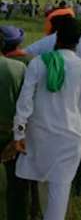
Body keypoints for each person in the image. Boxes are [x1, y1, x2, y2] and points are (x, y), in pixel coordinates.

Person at [11, 18, 81, 220]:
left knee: (42, 184)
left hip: (39, 136)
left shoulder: (38, 63)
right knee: (59, 191)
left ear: (56, 37)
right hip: (70, 137)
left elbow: (25, 100)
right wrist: (80, 130)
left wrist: (19, 132)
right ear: (78, 41)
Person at [0, 32, 31, 220]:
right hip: (12, 136)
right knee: (18, 186)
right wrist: (17, 139)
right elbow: (27, 107)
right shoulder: (18, 68)